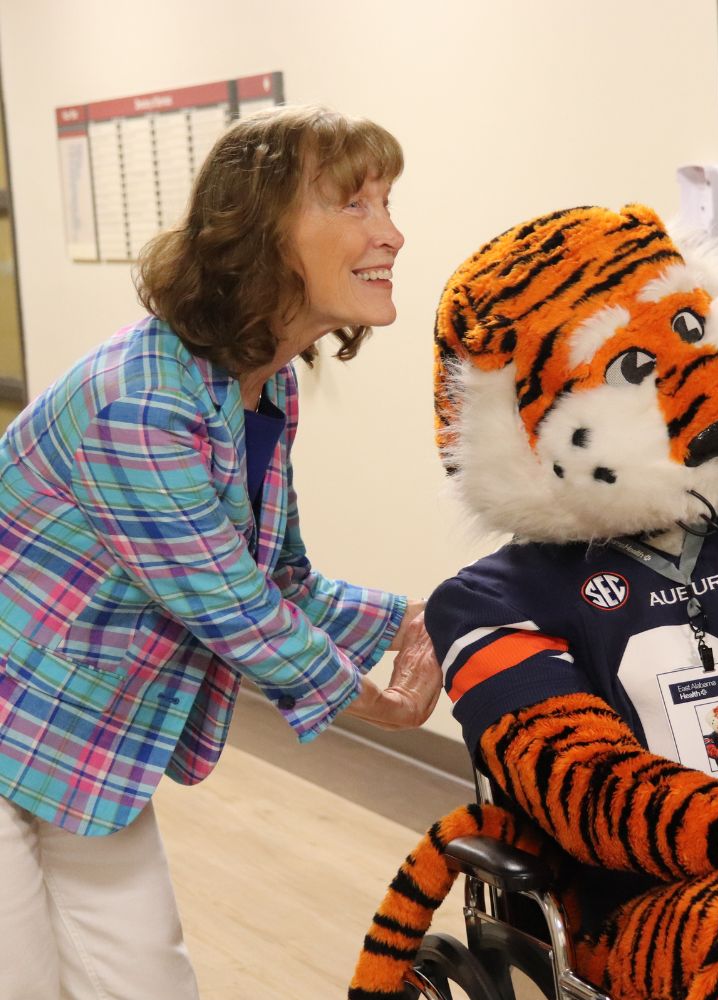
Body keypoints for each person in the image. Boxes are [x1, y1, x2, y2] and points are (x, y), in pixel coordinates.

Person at [0, 104, 441, 1000]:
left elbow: (282, 584)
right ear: (261, 233)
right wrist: (374, 700)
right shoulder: (141, 400)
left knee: (147, 980)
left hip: (73, 731)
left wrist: (418, 621)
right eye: (355, 204)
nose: (390, 233)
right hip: (20, 709)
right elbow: (232, 605)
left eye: (387, 202)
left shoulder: (258, 387)